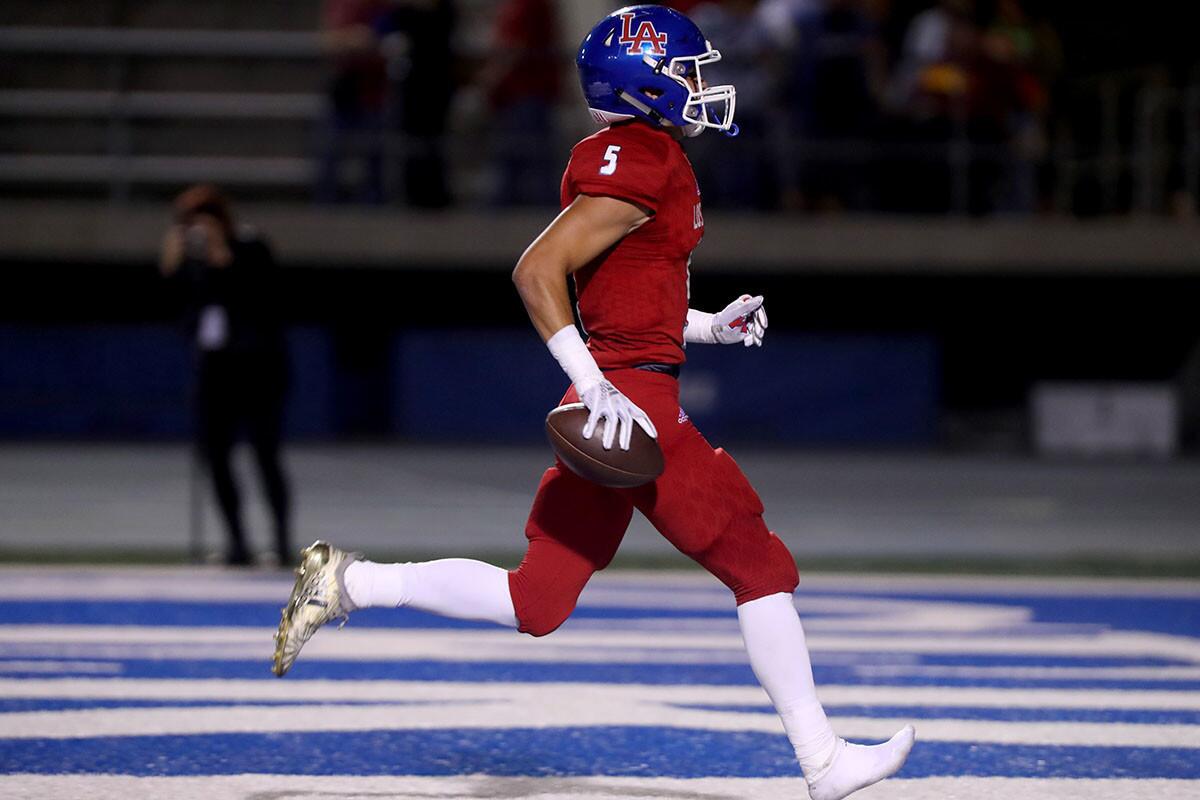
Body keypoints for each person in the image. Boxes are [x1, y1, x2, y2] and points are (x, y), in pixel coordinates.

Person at [272, 7, 914, 799]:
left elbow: (626, 302)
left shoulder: (632, 156)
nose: (701, 86)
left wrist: (707, 327)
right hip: (632, 403)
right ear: (641, 82)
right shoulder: (644, 156)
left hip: (620, 389)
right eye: (685, 71)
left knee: (535, 599)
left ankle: (348, 582)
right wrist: (597, 381)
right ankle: (823, 759)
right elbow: (536, 271)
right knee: (757, 564)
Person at [160, 185, 292, 567]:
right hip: (215, 372)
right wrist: (173, 266)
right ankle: (237, 543)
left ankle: (282, 544)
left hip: (258, 370)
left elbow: (266, 301)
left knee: (265, 455)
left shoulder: (251, 248)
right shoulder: (192, 259)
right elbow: (178, 309)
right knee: (216, 457)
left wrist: (223, 258)